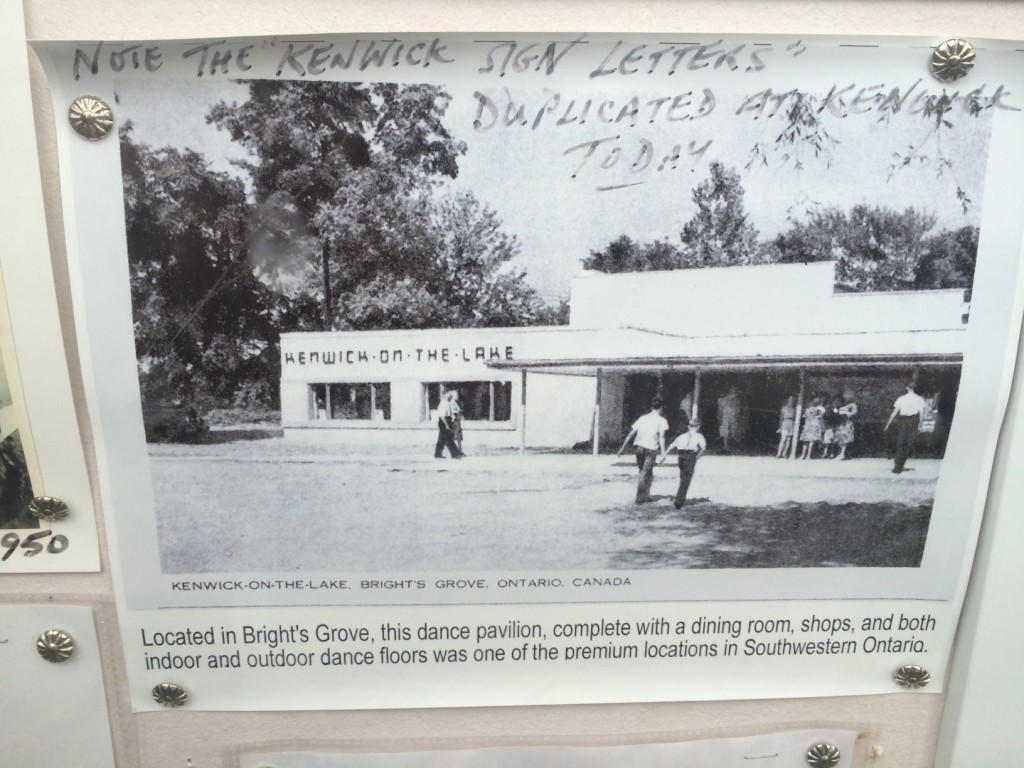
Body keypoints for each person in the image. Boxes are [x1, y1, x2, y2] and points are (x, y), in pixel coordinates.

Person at [617, 397, 669, 504]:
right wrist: (663, 453)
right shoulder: (662, 421)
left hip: (639, 448)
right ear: (661, 408)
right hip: (651, 449)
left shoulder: (642, 418)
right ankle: (640, 498)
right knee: (645, 473)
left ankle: (646, 495)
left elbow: (631, 433)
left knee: (646, 472)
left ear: (651, 407)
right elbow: (661, 437)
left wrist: (622, 448)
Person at [663, 418, 706, 509]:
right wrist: (696, 457)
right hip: (690, 456)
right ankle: (679, 501)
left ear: (688, 426)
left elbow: (671, 446)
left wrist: (664, 455)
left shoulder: (682, 436)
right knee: (686, 480)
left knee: (683, 478)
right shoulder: (699, 436)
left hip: (681, 456)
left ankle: (679, 498)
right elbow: (703, 448)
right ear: (698, 427)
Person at [885, 382, 927, 473]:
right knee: (909, 443)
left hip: (902, 421)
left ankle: (898, 465)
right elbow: (922, 414)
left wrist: (888, 424)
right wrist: (920, 425)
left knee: (901, 442)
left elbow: (894, 413)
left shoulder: (901, 398)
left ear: (907, 388)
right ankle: (900, 463)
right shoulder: (920, 399)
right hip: (913, 421)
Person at [434, 390, 463, 459]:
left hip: (446, 420)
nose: (450, 396)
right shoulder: (443, 403)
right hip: (444, 421)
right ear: (445, 395)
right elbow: (442, 416)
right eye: (449, 395)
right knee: (449, 438)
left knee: (441, 439)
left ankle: (437, 454)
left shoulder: (447, 402)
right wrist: (446, 425)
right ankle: (455, 454)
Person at [833, 392, 858, 460]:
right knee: (839, 438)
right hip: (841, 423)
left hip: (847, 423)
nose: (846, 398)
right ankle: (842, 453)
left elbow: (854, 413)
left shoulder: (853, 405)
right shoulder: (842, 405)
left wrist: (847, 414)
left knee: (845, 438)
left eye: (847, 396)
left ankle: (842, 454)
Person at [717, 387, 741, 452]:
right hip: (725, 418)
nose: (733, 393)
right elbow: (721, 409)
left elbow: (737, 409)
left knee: (733, 432)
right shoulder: (722, 400)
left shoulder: (736, 400)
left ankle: (732, 447)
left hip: (733, 418)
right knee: (725, 432)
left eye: (734, 392)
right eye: (731, 391)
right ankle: (725, 446)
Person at [450, 390, 464, 455]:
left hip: (457, 421)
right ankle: (457, 451)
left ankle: (459, 451)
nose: (457, 396)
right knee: (457, 436)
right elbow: (453, 412)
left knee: (459, 437)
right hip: (455, 421)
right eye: (456, 395)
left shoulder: (455, 403)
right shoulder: (452, 403)